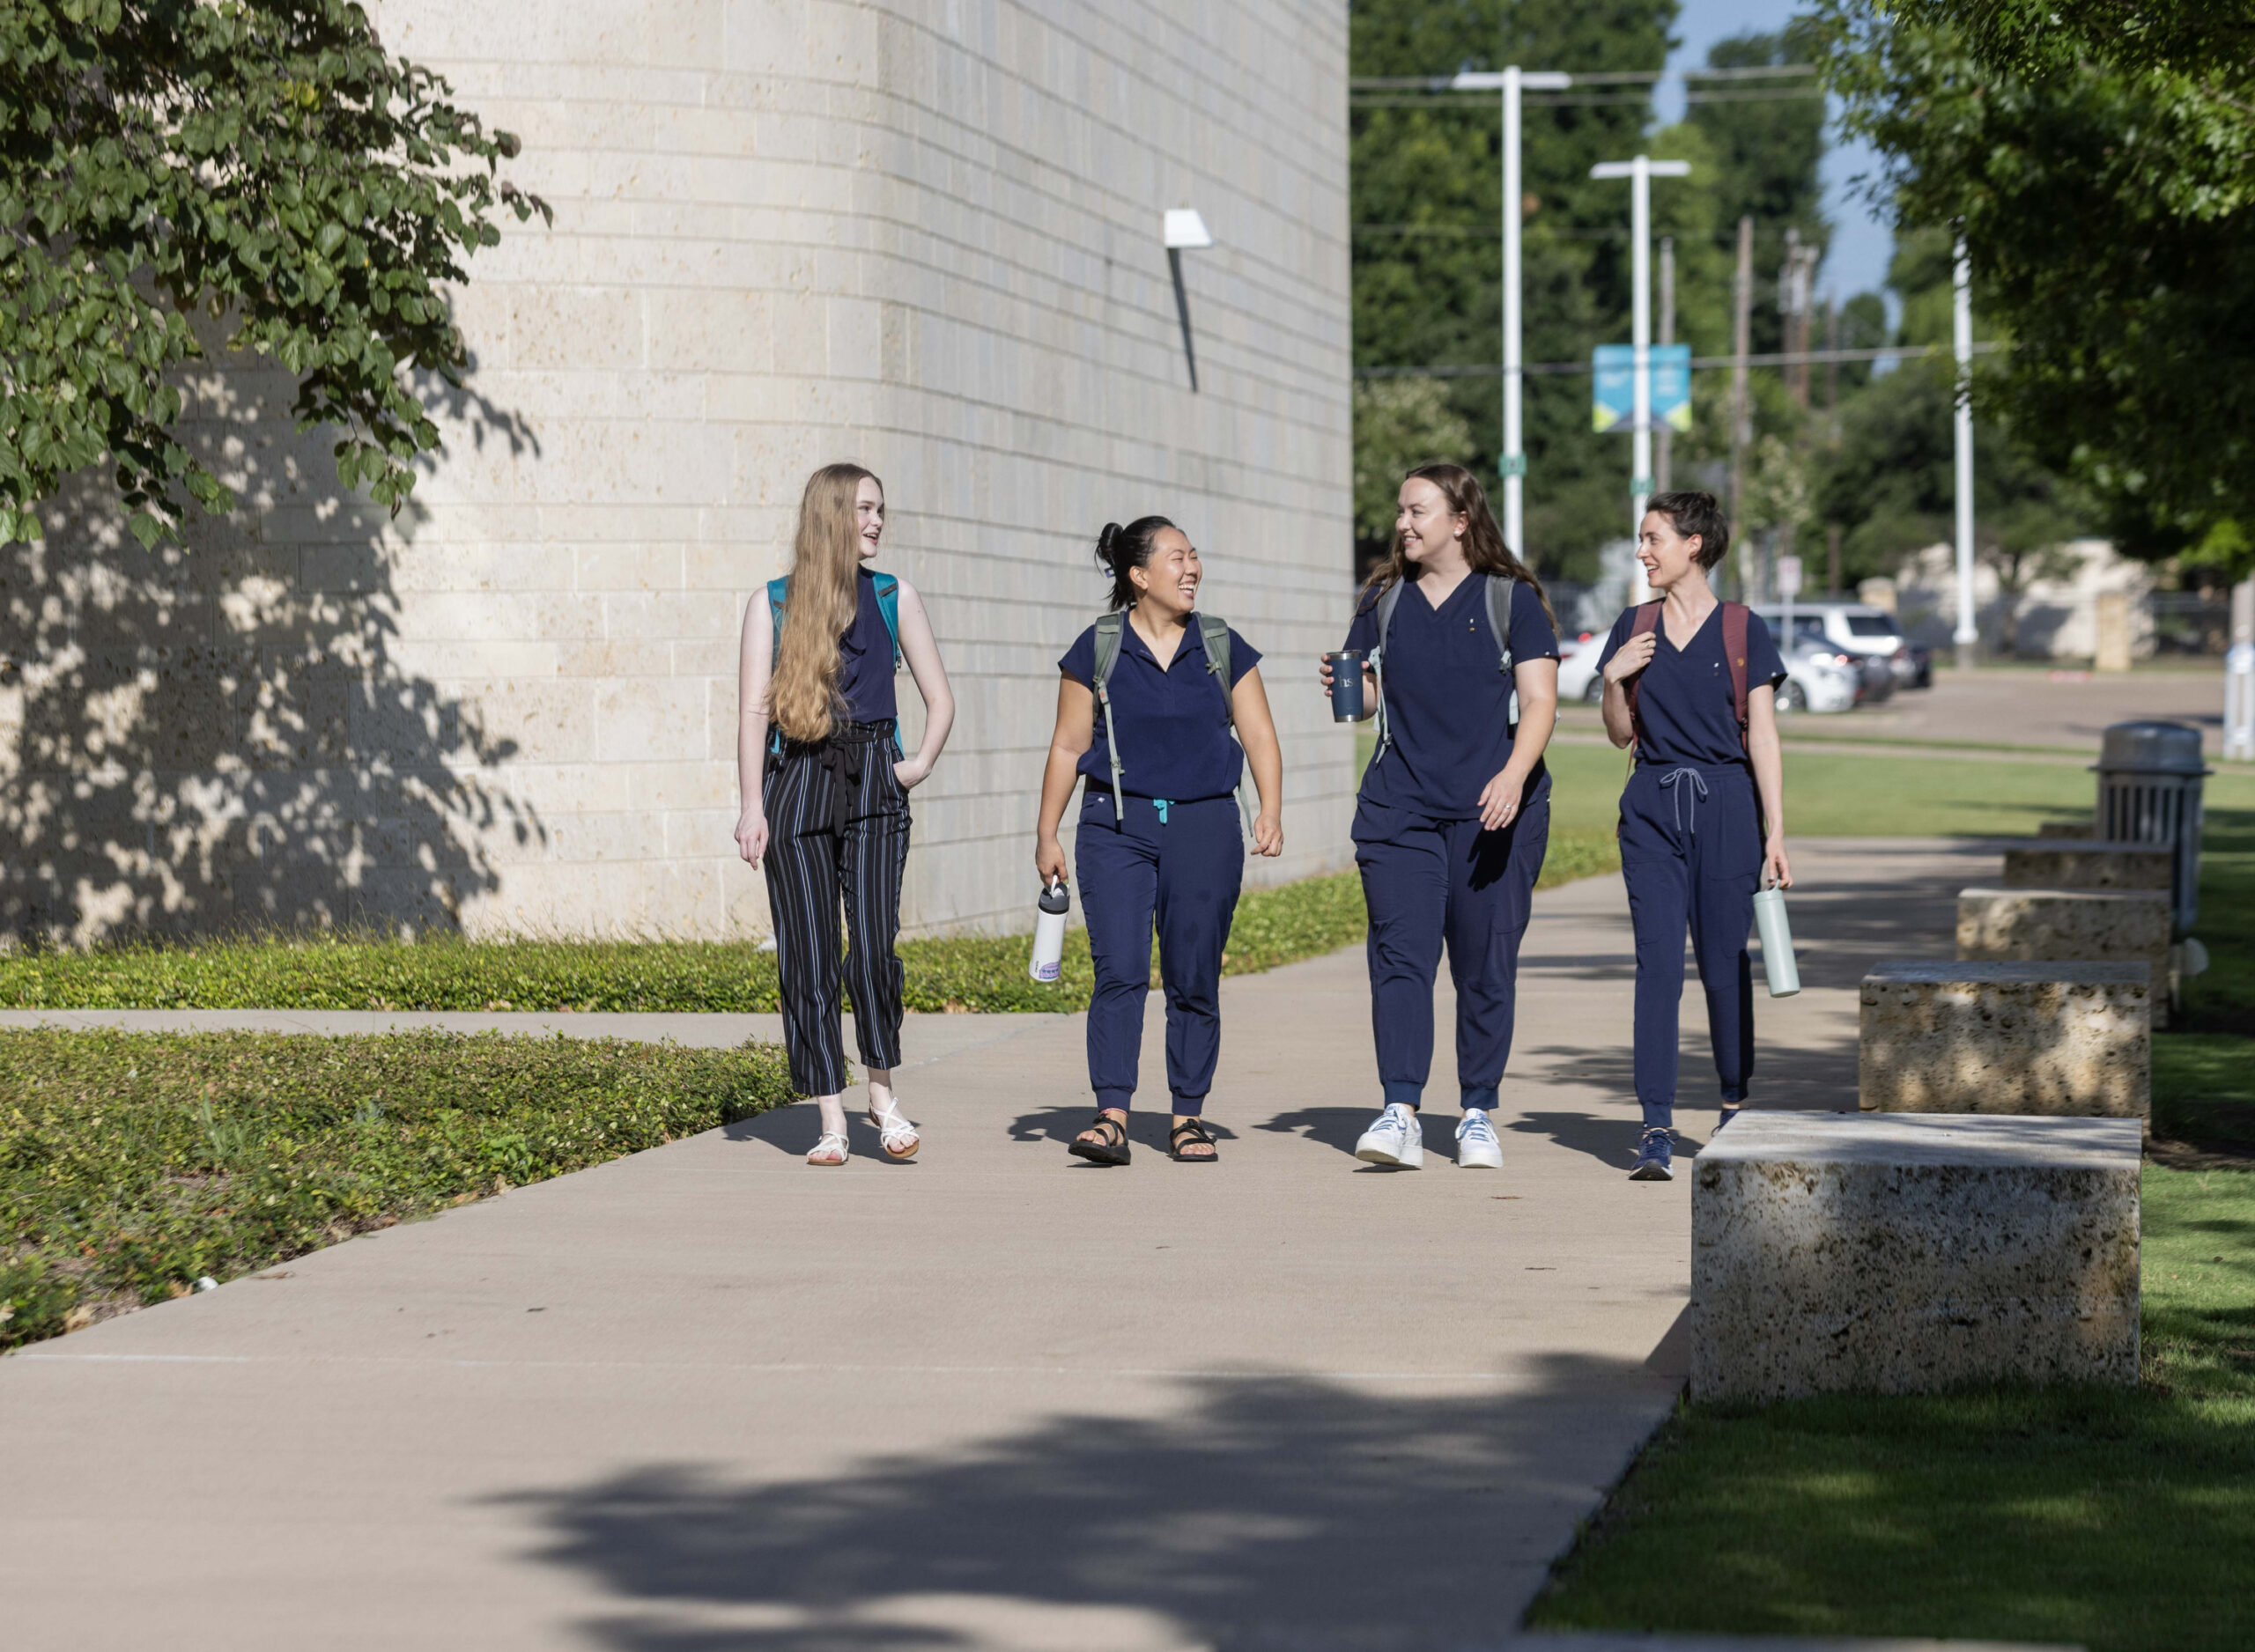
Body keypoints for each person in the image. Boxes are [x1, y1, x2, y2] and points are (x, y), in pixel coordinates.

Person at [1319, 463, 1560, 1171]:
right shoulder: (1382, 602)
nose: (1403, 523)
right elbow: (1365, 706)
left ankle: (1478, 1111)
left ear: (1460, 520)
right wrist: (1351, 687)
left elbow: (1541, 703)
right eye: (1401, 511)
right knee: (1401, 961)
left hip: (1496, 813)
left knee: (1485, 967)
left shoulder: (1511, 602)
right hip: (1401, 809)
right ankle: (1401, 1109)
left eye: (1418, 511)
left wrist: (1513, 777)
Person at [1034, 517, 1284, 1166]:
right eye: (1177, 558)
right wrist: (1046, 830)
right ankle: (1112, 1115)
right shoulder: (1100, 646)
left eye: (1195, 556)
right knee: (1119, 970)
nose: (1192, 568)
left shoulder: (1222, 644)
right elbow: (1068, 744)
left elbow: (1258, 735)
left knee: (1193, 975)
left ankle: (1187, 1117)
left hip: (1205, 826)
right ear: (1139, 576)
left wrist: (1271, 810)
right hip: (1116, 826)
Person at [736, 463, 956, 1167]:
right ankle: (830, 1115)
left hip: (874, 782)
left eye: (881, 510)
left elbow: (940, 698)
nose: (877, 522)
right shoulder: (771, 603)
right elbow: (752, 712)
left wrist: (916, 764)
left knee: (871, 947)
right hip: (796, 779)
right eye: (865, 509)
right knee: (807, 954)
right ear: (831, 514)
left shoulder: (894, 596)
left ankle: (882, 1096)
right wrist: (750, 806)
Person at [1595, 490, 1792, 1182]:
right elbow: (1620, 731)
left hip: (1728, 807)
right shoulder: (1633, 624)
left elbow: (1762, 735)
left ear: (1693, 545)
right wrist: (1615, 680)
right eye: (1642, 539)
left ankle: (1735, 1104)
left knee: (1722, 963)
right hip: (1650, 805)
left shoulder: (1743, 630)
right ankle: (1655, 1126)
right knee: (1656, 967)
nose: (1642, 551)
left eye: (1653, 538)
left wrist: (1776, 832)